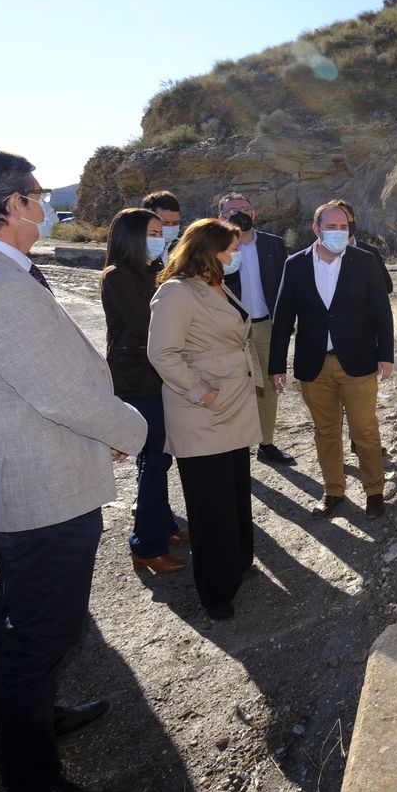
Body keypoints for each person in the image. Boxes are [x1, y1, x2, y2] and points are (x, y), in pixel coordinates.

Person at [0, 148, 147, 792]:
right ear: (10, 205)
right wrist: (131, 428)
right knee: (42, 634)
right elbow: (62, 392)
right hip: (39, 491)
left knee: (18, 622)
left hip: (20, 477)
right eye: (37, 194)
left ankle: (32, 722)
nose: (45, 203)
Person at [147, 218, 262, 620]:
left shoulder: (214, 283)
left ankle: (238, 563)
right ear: (207, 250)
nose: (235, 256)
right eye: (229, 249)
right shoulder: (176, 292)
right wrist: (202, 391)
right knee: (210, 507)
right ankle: (215, 592)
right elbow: (162, 353)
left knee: (233, 493)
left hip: (232, 407)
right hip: (202, 411)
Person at [269, 201, 395, 520]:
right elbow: (282, 318)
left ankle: (374, 492)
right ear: (316, 229)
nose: (338, 232)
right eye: (331, 227)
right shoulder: (295, 264)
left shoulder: (364, 262)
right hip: (314, 365)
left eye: (344, 227)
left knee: (365, 430)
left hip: (359, 362)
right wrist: (276, 365)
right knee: (326, 432)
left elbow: (382, 311)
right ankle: (333, 491)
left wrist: (386, 356)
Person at [101, 208, 188, 575]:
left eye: (162, 230)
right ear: (132, 236)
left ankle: (164, 526)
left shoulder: (150, 271)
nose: (161, 236)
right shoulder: (117, 276)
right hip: (138, 381)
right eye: (153, 231)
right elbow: (146, 326)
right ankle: (146, 544)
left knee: (158, 458)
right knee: (154, 460)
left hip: (156, 377)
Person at [217, 191, 293, 465]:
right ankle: (233, 447)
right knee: (231, 388)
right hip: (230, 333)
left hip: (266, 327)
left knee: (268, 387)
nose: (240, 214)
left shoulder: (273, 244)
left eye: (244, 209)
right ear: (220, 218)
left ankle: (266, 443)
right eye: (231, 211)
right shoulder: (213, 249)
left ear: (254, 214)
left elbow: (286, 289)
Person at [336, 199, 393, 293]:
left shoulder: (371, 253)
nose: (342, 222)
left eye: (345, 216)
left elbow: (387, 287)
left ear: (354, 219)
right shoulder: (323, 255)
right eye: (337, 218)